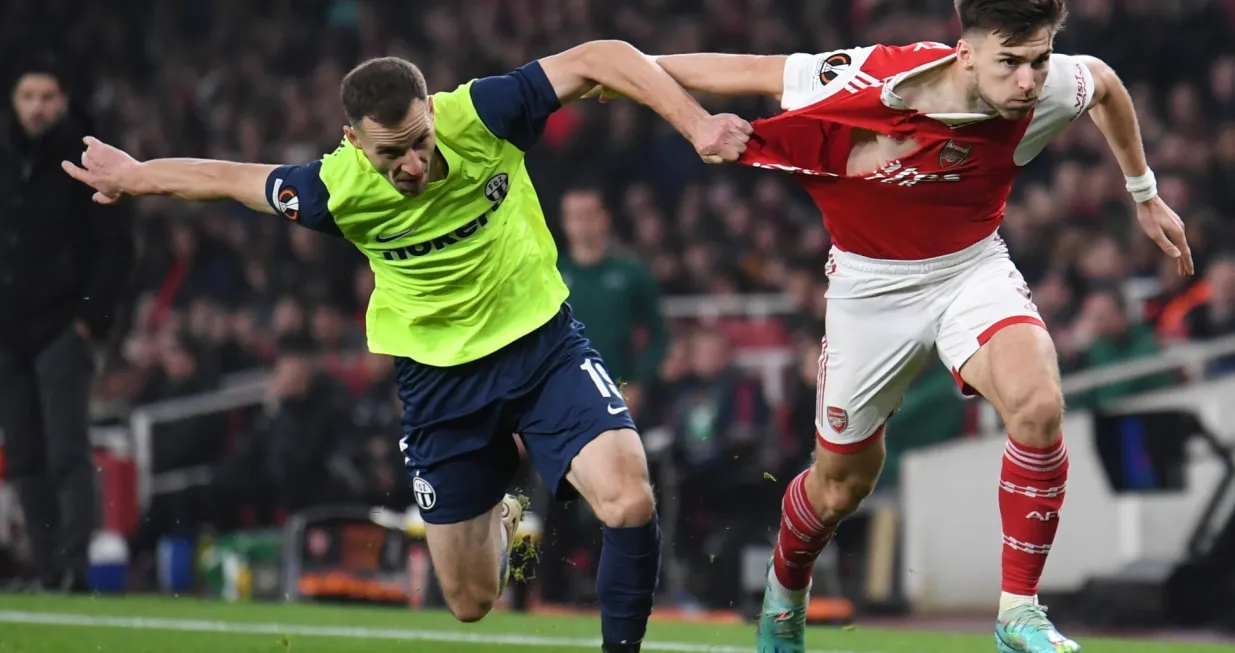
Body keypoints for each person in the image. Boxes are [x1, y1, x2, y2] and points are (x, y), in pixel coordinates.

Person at [62, 40, 752, 653]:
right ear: (354, 142)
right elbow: (230, 180)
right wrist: (137, 173)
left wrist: (694, 123)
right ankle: (504, 515)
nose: (413, 164)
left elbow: (603, 57)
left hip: (541, 347)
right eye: (391, 152)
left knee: (629, 498)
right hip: (439, 383)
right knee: (470, 602)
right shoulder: (335, 188)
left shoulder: (482, 112)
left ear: (431, 109)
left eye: (420, 141)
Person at [593, 1, 1194, 651]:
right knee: (839, 486)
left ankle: (1018, 611)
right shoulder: (865, 78)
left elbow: (1102, 82)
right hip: (867, 291)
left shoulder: (1049, 85)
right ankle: (785, 591)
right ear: (965, 55)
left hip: (969, 269)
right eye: (1010, 64)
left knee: (1039, 400)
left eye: (1039, 61)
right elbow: (750, 68)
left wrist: (1143, 192)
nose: (1028, 82)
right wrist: (638, 72)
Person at [0, 54, 132, 592]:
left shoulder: (87, 159)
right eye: (28, 96)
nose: (36, 108)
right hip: (8, 333)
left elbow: (116, 248)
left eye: (46, 97)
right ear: (13, 99)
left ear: (64, 100)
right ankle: (48, 566)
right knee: (26, 457)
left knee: (67, 452)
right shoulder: (4, 158)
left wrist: (89, 322)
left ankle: (74, 567)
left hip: (61, 328)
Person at [557, 186, 668, 417]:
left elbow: (659, 334)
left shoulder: (631, 272)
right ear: (564, 222)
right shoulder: (551, 275)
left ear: (604, 218)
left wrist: (638, 382)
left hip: (617, 387)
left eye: (588, 215)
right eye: (574, 217)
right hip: (563, 390)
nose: (582, 224)